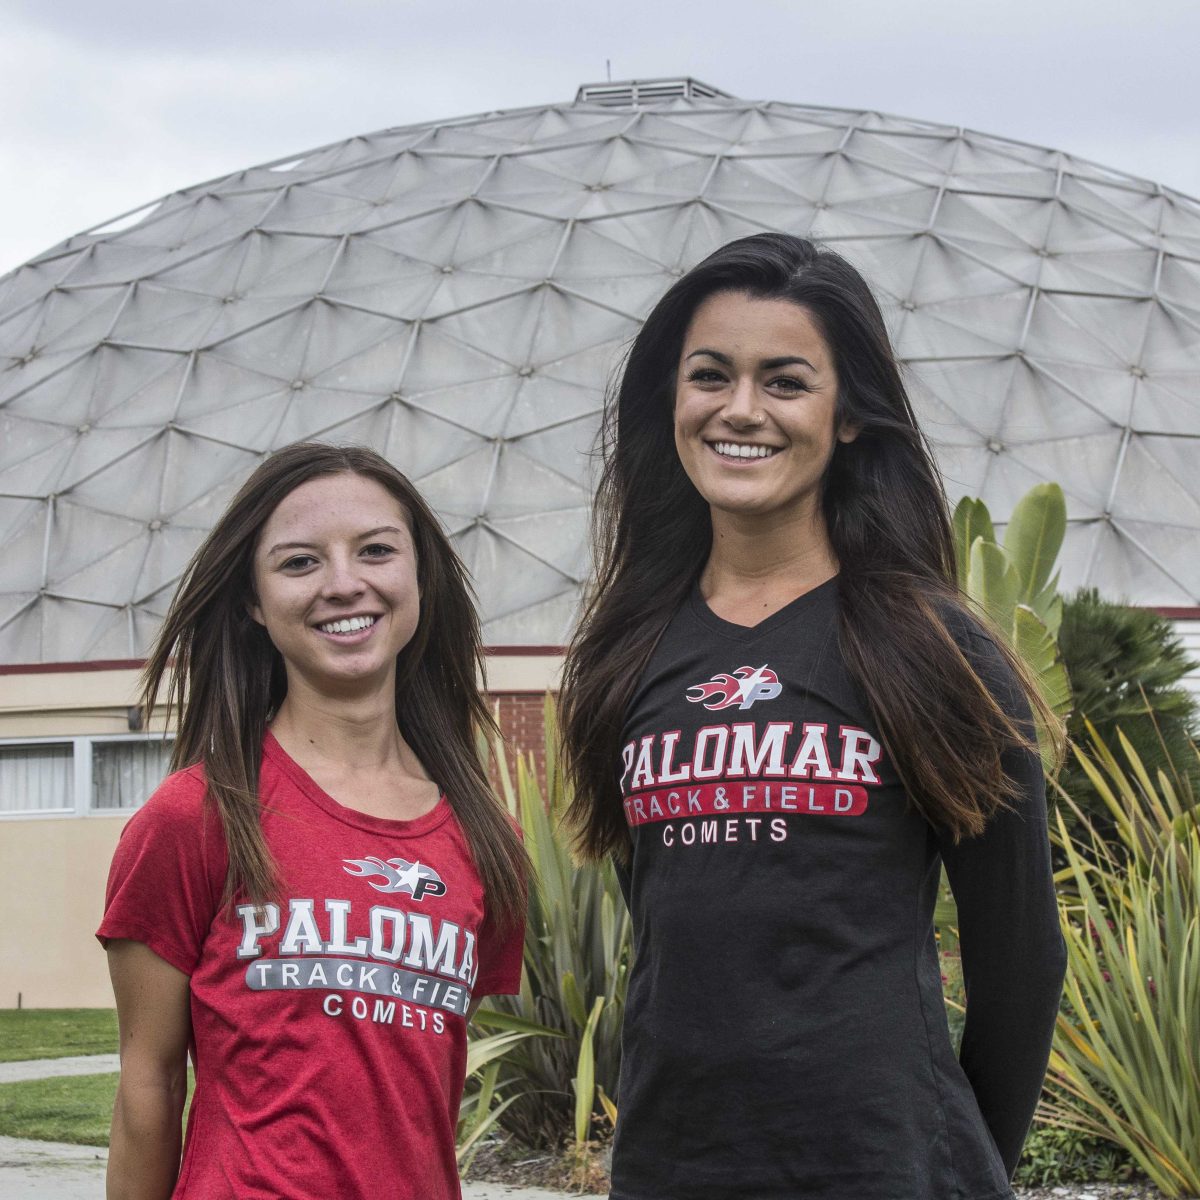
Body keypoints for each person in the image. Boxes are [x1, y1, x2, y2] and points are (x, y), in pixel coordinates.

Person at [558, 234, 1067, 1200]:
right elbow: (672, 930)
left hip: (885, 1170)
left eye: (785, 381)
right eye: (710, 375)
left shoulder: (935, 651)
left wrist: (961, 1167)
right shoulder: (626, 655)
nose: (739, 409)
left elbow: (1023, 963)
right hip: (671, 1172)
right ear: (672, 400)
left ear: (846, 419)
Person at [98, 442, 527, 1200]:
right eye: (299, 563)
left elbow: (413, 1090)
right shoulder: (195, 816)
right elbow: (150, 1086)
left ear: (418, 575)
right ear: (255, 604)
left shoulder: (486, 839)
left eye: (375, 551)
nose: (343, 584)